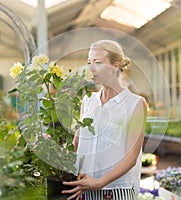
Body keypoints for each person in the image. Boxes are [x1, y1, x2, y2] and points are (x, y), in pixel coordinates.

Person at [62, 40, 147, 200]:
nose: (91, 68)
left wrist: (100, 182)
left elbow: (131, 156)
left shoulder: (135, 104)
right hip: (85, 187)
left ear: (115, 67)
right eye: (89, 62)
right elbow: (76, 144)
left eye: (98, 62)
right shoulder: (88, 101)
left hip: (116, 190)